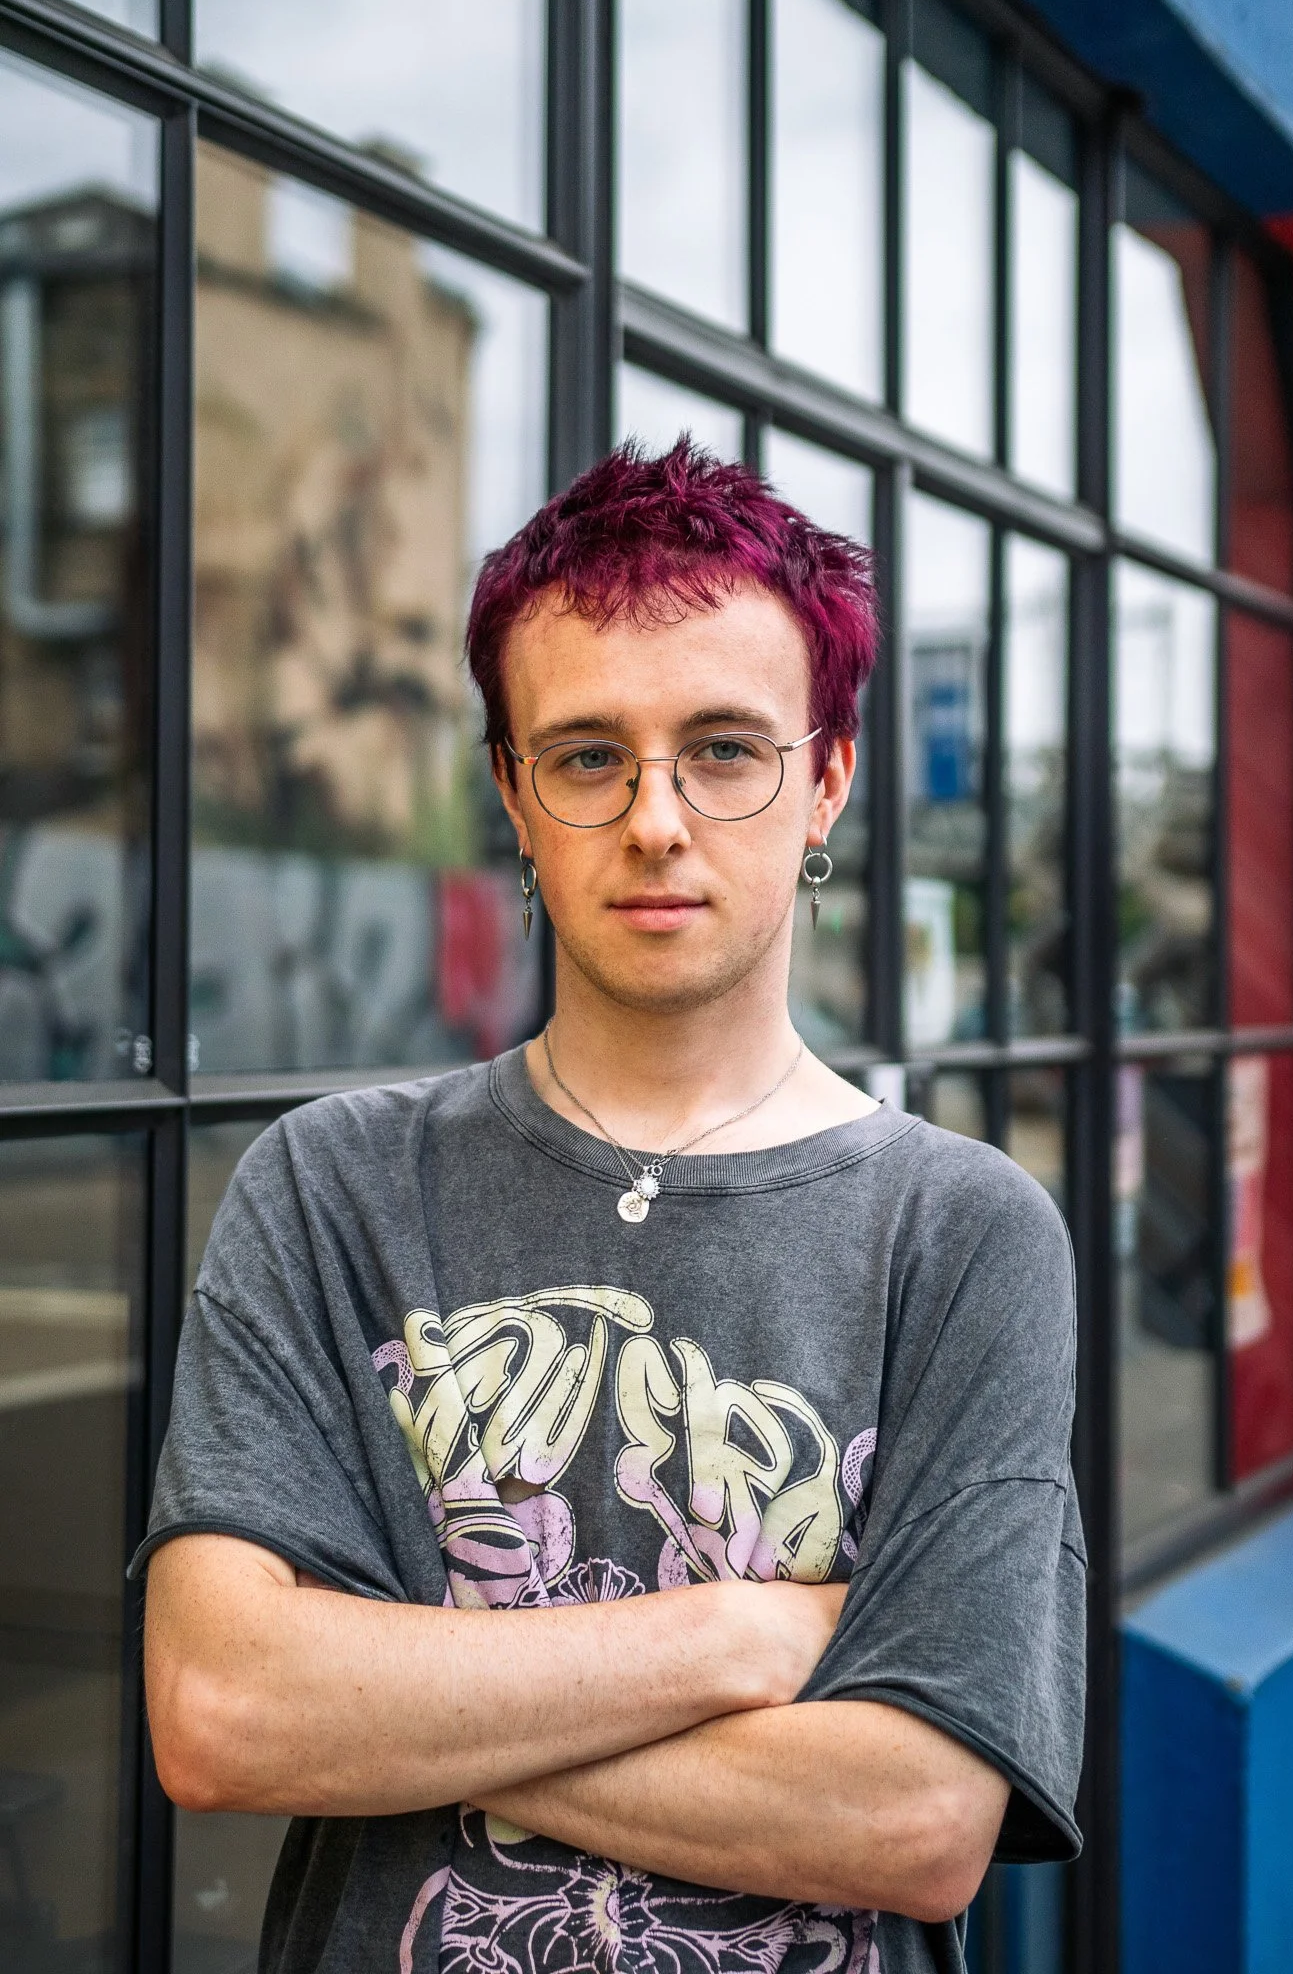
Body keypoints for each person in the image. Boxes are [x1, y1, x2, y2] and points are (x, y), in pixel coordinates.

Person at [140, 440, 1085, 1974]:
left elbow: (915, 1820)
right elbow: (222, 1712)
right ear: (513, 794)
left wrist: (393, 1716)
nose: (656, 818)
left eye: (724, 749)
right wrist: (740, 1639)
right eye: (586, 755)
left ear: (826, 778)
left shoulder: (960, 1232)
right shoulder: (334, 1184)